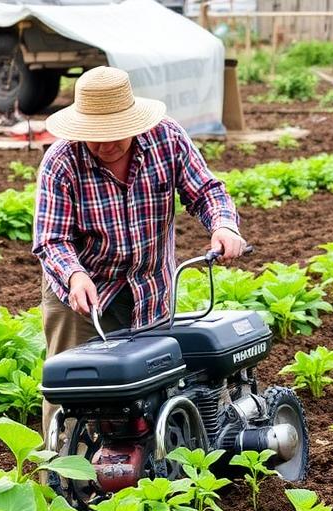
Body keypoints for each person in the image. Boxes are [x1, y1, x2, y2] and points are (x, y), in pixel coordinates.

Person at [33, 66, 245, 444]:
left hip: (150, 286)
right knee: (75, 387)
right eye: (95, 137)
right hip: (81, 292)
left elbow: (206, 191)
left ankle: (153, 470)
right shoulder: (61, 162)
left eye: (115, 134)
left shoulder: (167, 139)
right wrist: (74, 276)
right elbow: (52, 240)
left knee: (154, 382)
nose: (106, 144)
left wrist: (223, 226)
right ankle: (63, 480)